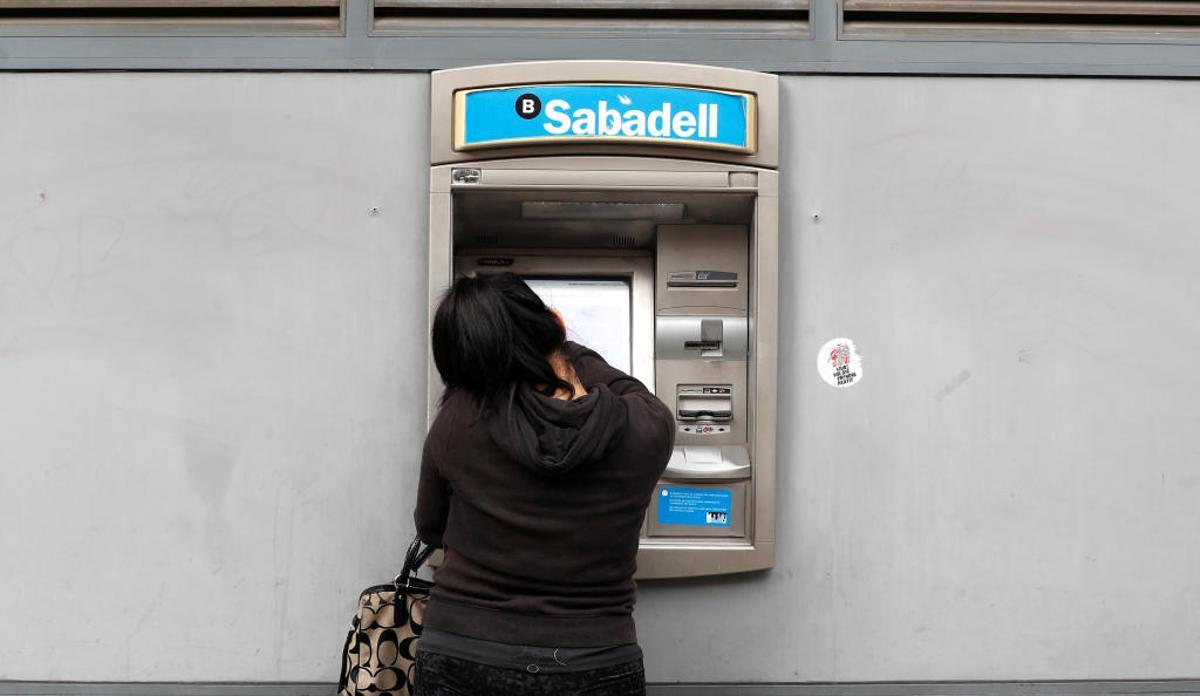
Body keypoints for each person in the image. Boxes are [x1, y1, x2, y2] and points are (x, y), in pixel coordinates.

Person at [413, 272, 675, 696]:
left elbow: (430, 527)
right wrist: (559, 346)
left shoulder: (458, 420)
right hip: (595, 657)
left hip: (463, 652)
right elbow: (632, 389)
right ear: (553, 323)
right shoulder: (646, 425)